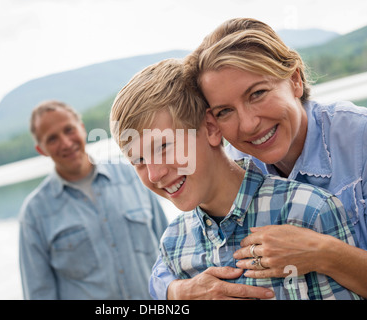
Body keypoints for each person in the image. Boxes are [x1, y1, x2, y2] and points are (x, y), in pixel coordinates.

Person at [151, 17, 367, 299]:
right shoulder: (235, 161)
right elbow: (161, 273)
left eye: (257, 93)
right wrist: (178, 292)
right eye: (224, 111)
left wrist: (324, 253)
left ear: (295, 80)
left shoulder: (359, 139)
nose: (249, 124)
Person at [19, 100, 168, 299]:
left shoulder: (133, 176)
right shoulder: (34, 213)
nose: (65, 142)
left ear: (82, 129)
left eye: (69, 130)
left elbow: (169, 252)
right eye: (52, 139)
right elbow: (39, 293)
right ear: (42, 150)